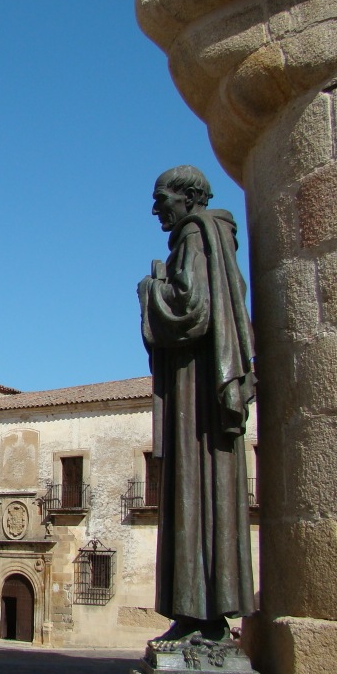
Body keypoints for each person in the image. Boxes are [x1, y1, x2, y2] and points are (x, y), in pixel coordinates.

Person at [137, 165, 256, 644]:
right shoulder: (215, 237)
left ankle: (198, 617)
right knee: (207, 492)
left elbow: (192, 308)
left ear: (187, 198)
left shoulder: (195, 235)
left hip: (195, 394)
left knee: (194, 486)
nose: (156, 209)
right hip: (202, 384)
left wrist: (150, 290)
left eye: (161, 197)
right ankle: (202, 615)